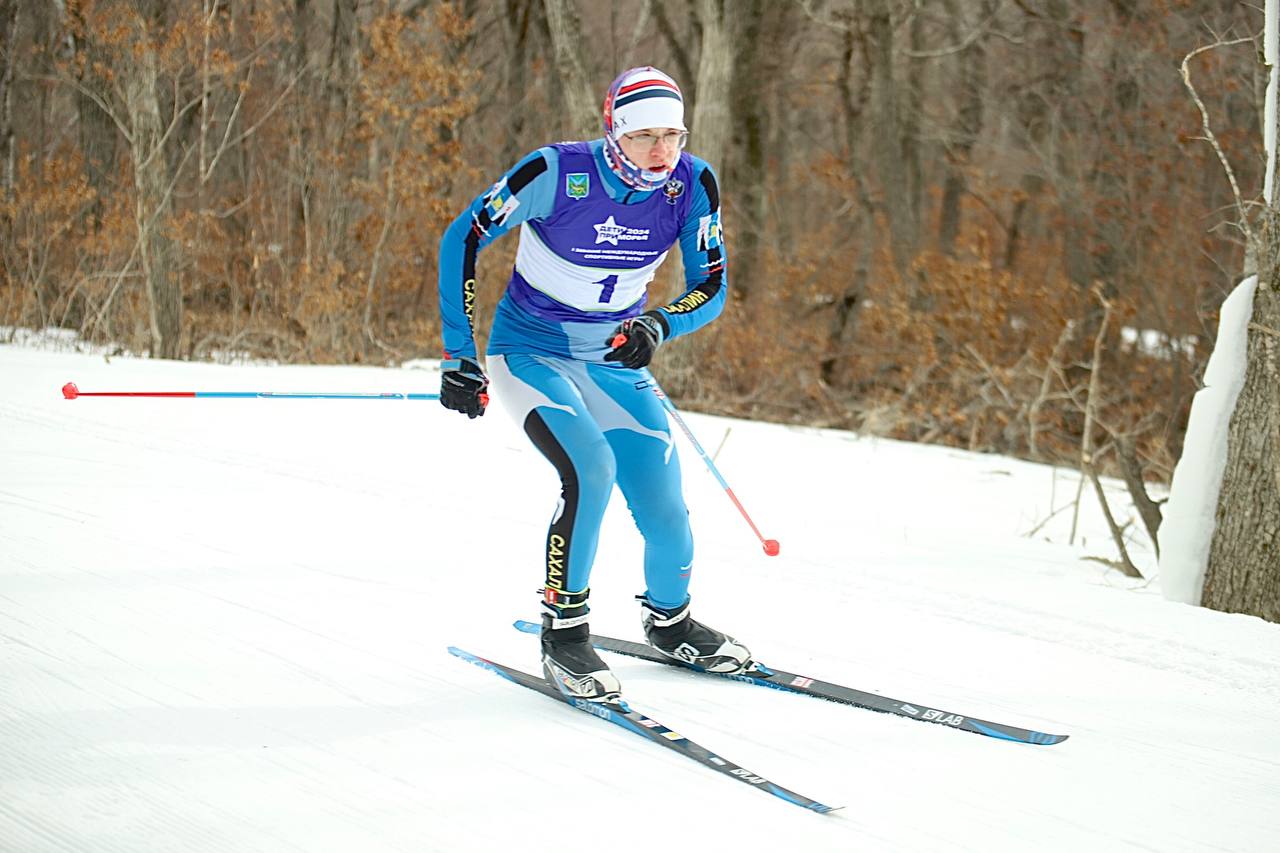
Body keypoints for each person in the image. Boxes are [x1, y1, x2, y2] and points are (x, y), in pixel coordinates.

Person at [436, 67, 750, 702]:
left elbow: (711, 285)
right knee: (591, 469)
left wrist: (659, 325)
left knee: (663, 498)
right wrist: (458, 354)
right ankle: (565, 632)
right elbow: (463, 238)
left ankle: (671, 623)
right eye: (644, 137)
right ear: (614, 132)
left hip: (610, 356)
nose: (663, 152)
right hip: (531, 350)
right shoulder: (556, 172)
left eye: (674, 135)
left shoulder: (693, 183)